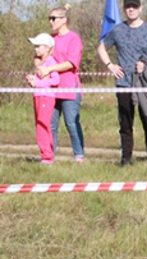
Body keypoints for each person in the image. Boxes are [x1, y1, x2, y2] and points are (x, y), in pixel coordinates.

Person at [97, 0, 147, 166]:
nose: (131, 9)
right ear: (124, 9)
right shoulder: (117, 30)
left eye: (134, 6)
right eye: (128, 7)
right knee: (126, 123)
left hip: (145, 84)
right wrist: (110, 65)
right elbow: (101, 48)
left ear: (140, 8)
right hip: (124, 84)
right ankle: (126, 158)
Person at [38, 3, 84, 162]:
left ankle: (79, 156)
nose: (51, 21)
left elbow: (71, 63)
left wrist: (50, 69)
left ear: (63, 20)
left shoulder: (74, 38)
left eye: (53, 18)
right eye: (49, 18)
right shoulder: (50, 40)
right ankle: (49, 156)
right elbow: (41, 58)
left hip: (69, 87)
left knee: (71, 123)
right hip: (51, 88)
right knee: (51, 125)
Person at [27, 33, 60, 164]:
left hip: (46, 97)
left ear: (47, 47)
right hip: (38, 96)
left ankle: (46, 156)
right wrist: (32, 79)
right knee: (41, 125)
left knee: (42, 125)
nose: (35, 49)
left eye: (38, 46)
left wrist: (38, 83)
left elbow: (55, 80)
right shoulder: (40, 62)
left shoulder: (51, 62)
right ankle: (47, 154)